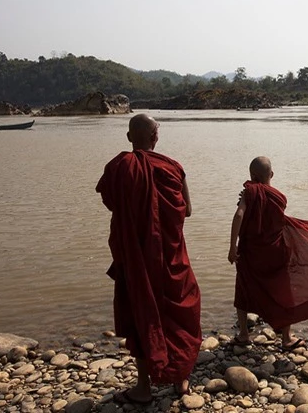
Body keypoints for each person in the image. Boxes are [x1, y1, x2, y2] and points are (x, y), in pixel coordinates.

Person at [96, 113, 201, 404]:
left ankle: (143, 387)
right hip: (171, 257)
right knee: (180, 311)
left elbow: (112, 203)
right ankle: (181, 379)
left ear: (129, 137)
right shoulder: (174, 167)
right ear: (156, 137)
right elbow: (187, 210)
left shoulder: (119, 168)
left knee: (141, 313)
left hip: (136, 257)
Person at [228, 156, 308, 350]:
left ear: (251, 176)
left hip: (250, 251)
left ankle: (244, 335)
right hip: (276, 251)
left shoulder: (249, 192)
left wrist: (232, 246)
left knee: (243, 289)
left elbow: (239, 215)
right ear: (271, 175)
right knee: (282, 290)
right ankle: (286, 338)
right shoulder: (277, 196)